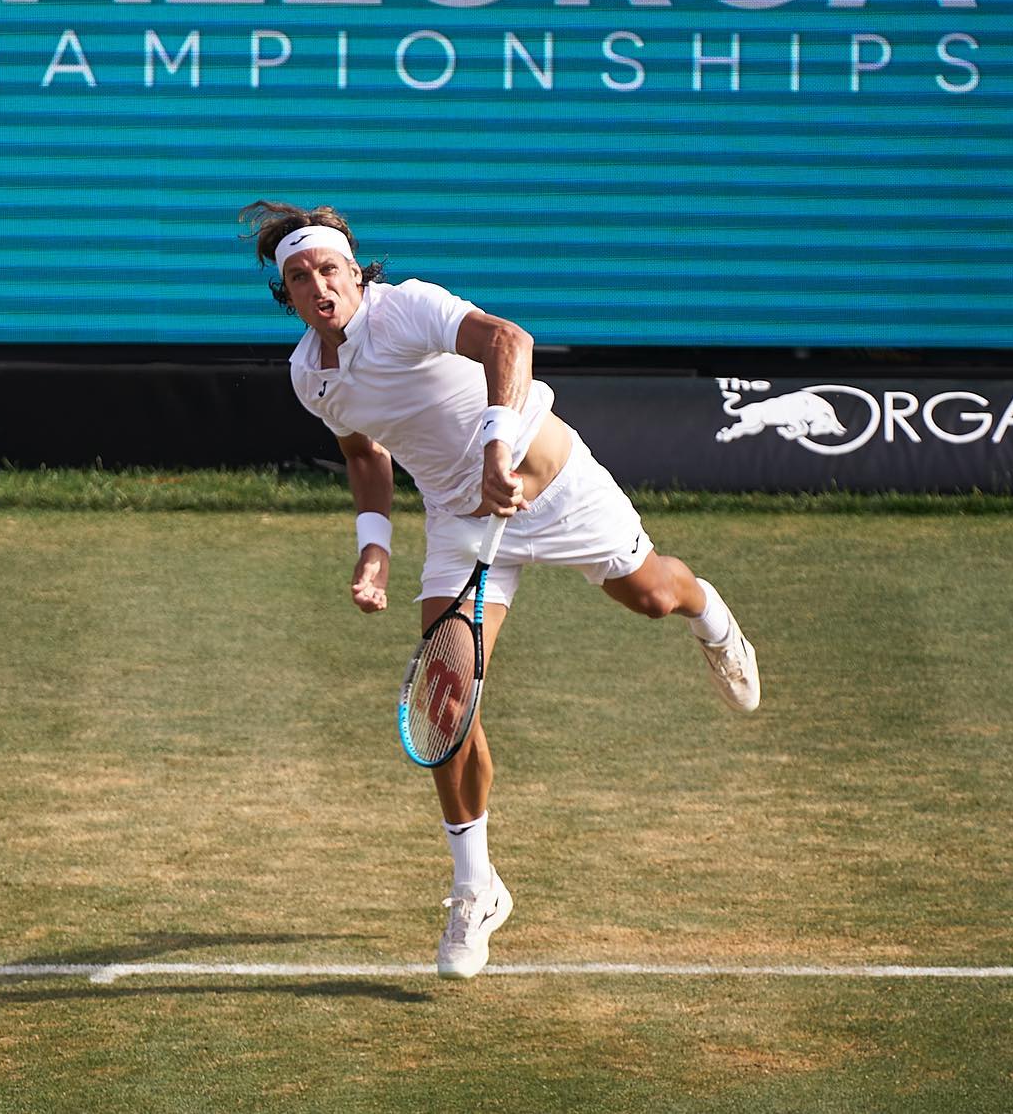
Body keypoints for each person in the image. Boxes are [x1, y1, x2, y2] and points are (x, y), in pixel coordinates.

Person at [239, 199, 761, 980]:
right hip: (459, 520)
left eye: (329, 268)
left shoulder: (408, 305)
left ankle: (713, 617)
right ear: (287, 294)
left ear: (355, 272)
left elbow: (507, 341)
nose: (318, 283)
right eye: (300, 275)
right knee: (445, 705)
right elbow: (364, 453)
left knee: (652, 594)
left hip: (551, 486)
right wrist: (373, 549)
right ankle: (475, 886)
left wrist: (496, 449)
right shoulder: (308, 374)